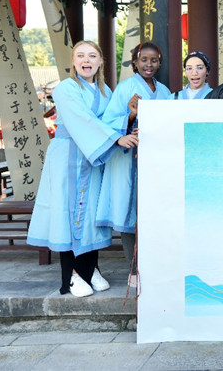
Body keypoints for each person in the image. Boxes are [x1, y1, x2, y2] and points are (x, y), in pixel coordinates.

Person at [28, 41, 138, 297]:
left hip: (95, 158)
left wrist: (128, 120)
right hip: (69, 157)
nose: (86, 60)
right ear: (73, 61)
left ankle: (91, 269)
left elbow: (110, 121)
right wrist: (115, 139)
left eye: (92, 55)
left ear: (100, 61)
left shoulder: (105, 92)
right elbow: (82, 120)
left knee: (91, 214)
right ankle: (72, 275)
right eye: (80, 56)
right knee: (69, 214)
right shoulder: (66, 88)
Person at [97, 41, 171, 286]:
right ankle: (134, 270)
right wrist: (130, 115)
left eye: (154, 60)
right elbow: (108, 123)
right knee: (130, 211)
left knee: (153, 211)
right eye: (144, 60)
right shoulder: (125, 88)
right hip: (129, 159)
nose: (148, 65)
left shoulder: (163, 91)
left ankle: (155, 266)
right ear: (135, 62)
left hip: (156, 161)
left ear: (159, 63)